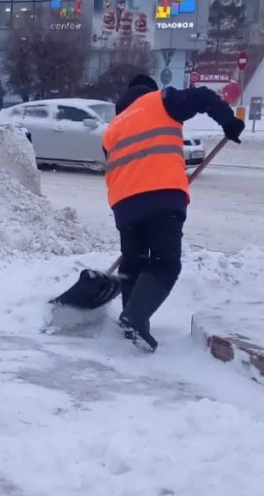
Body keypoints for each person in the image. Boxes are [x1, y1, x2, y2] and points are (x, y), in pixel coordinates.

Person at [102, 75, 246, 352]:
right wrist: (229, 121)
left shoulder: (112, 128)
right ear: (149, 90)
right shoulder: (160, 101)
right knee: (165, 262)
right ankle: (135, 316)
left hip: (123, 204)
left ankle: (131, 320)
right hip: (161, 195)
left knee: (134, 260)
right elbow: (202, 96)